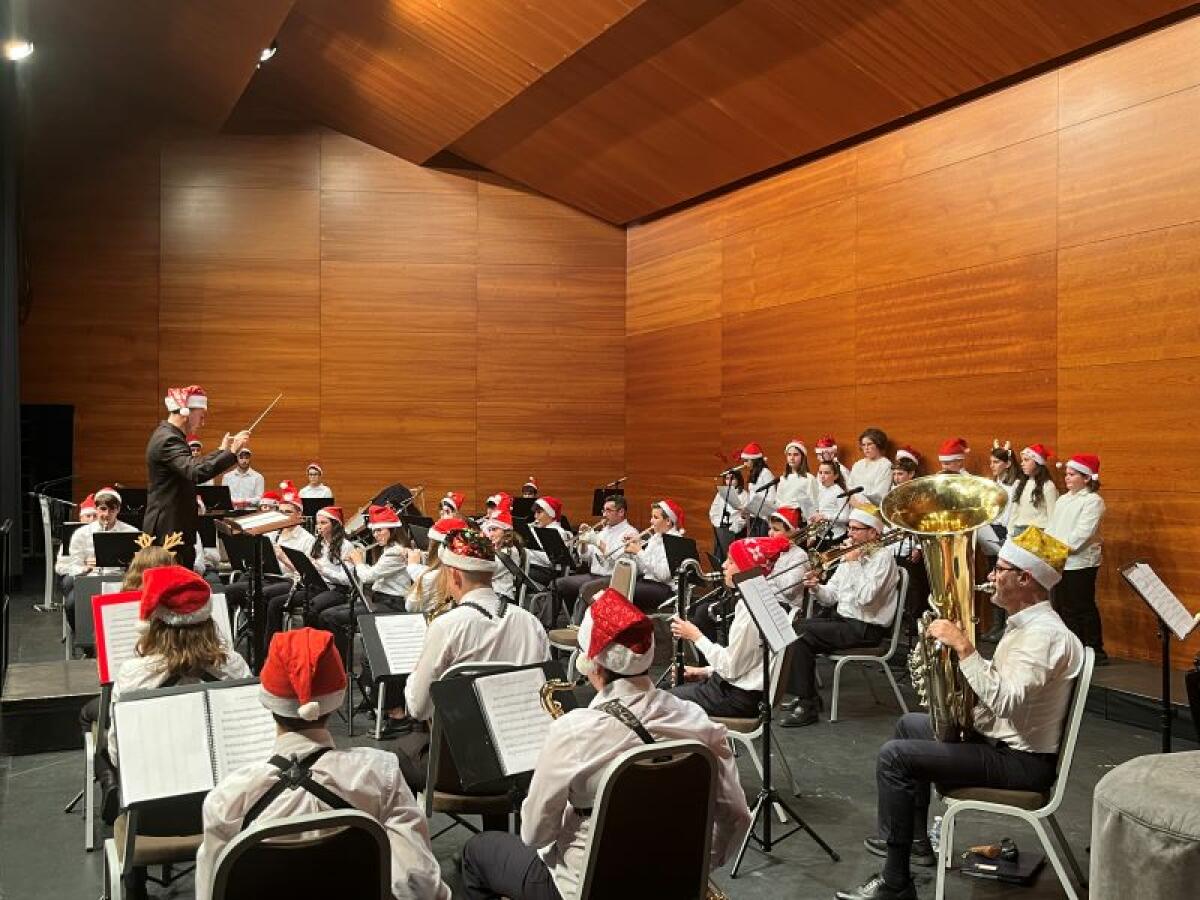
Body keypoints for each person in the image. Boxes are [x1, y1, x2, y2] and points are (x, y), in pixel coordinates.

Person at [836, 527, 1083, 900]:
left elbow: (1004, 701)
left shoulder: (1044, 635)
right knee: (909, 725)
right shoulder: (1028, 627)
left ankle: (895, 881)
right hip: (1006, 745)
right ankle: (916, 840)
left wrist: (964, 648)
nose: (990, 577)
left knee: (894, 758)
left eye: (999, 569)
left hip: (1021, 763)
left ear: (1025, 577)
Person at [461, 589, 751, 900]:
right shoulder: (697, 721)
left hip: (586, 886)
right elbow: (737, 816)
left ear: (595, 666)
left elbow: (535, 834)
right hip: (670, 880)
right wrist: (699, 867)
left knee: (477, 852)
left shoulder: (574, 731)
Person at [194, 628, 450, 900]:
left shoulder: (227, 799)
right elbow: (421, 885)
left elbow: (212, 891)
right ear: (337, 697)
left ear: (268, 700)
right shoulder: (381, 774)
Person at [398, 529, 550, 793]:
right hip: (523, 762)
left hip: (459, 767)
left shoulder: (447, 625)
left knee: (400, 752)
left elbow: (418, 708)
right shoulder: (529, 621)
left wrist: (415, 673)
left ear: (454, 574)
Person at [107, 565, 252, 766]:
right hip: (228, 780)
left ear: (154, 626)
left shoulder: (132, 673)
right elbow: (248, 731)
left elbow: (118, 754)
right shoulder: (233, 664)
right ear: (208, 622)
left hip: (157, 782)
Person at [782, 503, 899, 728]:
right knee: (795, 625)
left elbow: (866, 599)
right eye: (850, 528)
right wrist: (816, 587)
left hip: (866, 628)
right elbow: (831, 597)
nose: (850, 534)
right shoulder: (850, 556)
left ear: (873, 532)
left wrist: (854, 564)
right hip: (844, 621)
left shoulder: (884, 558)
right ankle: (807, 697)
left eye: (856, 529)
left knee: (800, 632)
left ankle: (808, 703)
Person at [670, 535, 793, 717]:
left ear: (746, 569)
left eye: (731, 561)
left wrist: (696, 636)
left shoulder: (752, 611)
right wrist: (704, 672)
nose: (723, 566)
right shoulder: (759, 600)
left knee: (661, 701)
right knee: (664, 692)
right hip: (734, 688)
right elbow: (746, 665)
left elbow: (731, 668)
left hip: (737, 698)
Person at [144, 384, 246, 569]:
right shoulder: (168, 439)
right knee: (170, 585)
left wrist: (221, 451)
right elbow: (196, 472)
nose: (203, 422)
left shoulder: (168, 435)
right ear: (185, 412)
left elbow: (192, 465)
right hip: (168, 527)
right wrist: (231, 452)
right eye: (201, 415)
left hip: (173, 524)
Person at [1048, 454, 1107, 664]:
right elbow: (1052, 527)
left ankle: (1094, 650)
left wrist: (1060, 548)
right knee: (1063, 607)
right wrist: (1046, 546)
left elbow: (1083, 533)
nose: (1067, 478)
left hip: (1080, 562)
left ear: (1086, 478)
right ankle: (1074, 649)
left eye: (1072, 474)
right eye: (1066, 474)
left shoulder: (1093, 501)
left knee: (1081, 606)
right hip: (1059, 560)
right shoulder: (1064, 499)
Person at [64, 487, 140, 628]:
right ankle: (84, 643)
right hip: (90, 580)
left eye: (112, 510)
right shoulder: (81, 533)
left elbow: (139, 566)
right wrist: (85, 568)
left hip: (121, 581)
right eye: (103, 509)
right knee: (72, 603)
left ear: (118, 510)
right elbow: (72, 567)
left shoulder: (131, 532)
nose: (107, 514)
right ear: (96, 509)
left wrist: (128, 564)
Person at [556, 494, 638, 618]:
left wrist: (598, 542)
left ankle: (578, 627)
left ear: (621, 512)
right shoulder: (604, 531)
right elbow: (585, 557)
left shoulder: (630, 533)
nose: (604, 514)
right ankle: (551, 624)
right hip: (593, 575)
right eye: (603, 510)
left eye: (608, 510)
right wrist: (583, 541)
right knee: (559, 583)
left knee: (586, 588)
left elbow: (616, 561)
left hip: (611, 578)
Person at [979, 440, 1019, 641]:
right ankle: (995, 625)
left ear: (1008, 463)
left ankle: (1006, 626)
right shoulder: (994, 484)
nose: (992, 466)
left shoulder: (1014, 486)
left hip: (1005, 533)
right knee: (993, 579)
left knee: (1005, 580)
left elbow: (1011, 513)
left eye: (996, 462)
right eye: (991, 462)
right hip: (990, 531)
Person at [405, 517, 466, 616]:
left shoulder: (430, 578)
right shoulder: (468, 574)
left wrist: (412, 565)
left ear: (434, 547)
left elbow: (410, 607)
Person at [56, 493, 98, 598]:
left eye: (95, 516)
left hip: (99, 576)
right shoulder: (71, 536)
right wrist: (83, 568)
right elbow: (61, 567)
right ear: (81, 518)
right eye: (88, 516)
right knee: (73, 598)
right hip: (77, 575)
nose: (92, 519)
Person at [1011, 443, 1059, 534]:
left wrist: (1049, 535)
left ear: (1037, 462)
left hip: (1037, 531)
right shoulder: (1019, 483)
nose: (1022, 464)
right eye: (1022, 460)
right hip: (1018, 529)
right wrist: (1010, 531)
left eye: (1026, 460)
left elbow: (1052, 515)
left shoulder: (1048, 485)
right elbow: (1015, 511)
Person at [708, 468, 749, 560]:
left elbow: (744, 516)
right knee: (721, 555)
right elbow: (714, 510)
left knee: (733, 557)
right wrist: (718, 524)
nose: (729, 481)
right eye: (727, 478)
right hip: (721, 528)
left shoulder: (744, 495)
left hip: (735, 531)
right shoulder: (721, 494)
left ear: (738, 479)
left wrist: (734, 528)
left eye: (732, 478)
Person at [810, 460, 851, 547]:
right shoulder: (820, 490)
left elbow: (846, 517)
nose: (822, 476)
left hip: (836, 536)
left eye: (826, 473)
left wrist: (825, 517)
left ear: (835, 476)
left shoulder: (839, 492)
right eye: (820, 472)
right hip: (821, 535)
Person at [739, 442, 776, 536]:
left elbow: (771, 496)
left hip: (763, 518)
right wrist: (747, 508)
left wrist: (758, 508)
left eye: (747, 460)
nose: (745, 463)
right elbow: (752, 496)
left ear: (754, 460)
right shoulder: (753, 473)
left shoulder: (765, 473)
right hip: (753, 516)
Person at [777, 438, 818, 520]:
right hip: (783, 517)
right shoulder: (783, 479)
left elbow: (814, 503)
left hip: (799, 519)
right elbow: (778, 500)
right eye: (789, 454)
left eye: (796, 455)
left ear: (802, 457)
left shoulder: (809, 478)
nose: (792, 458)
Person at [850, 427, 893, 504]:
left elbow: (880, 494)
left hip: (871, 508)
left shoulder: (886, 465)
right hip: (854, 506)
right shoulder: (858, 464)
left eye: (869, 444)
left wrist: (862, 505)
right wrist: (852, 500)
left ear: (878, 444)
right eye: (863, 445)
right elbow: (850, 486)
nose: (866, 448)